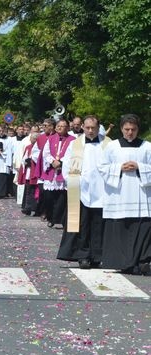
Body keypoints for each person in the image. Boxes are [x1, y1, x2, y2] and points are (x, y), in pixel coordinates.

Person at [98, 114, 151, 275]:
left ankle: (142, 261)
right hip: (119, 196)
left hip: (141, 196)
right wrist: (119, 168)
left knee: (143, 228)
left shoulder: (147, 146)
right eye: (127, 129)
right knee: (120, 229)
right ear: (121, 129)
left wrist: (139, 167)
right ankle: (123, 262)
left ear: (137, 130)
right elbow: (102, 167)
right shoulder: (112, 146)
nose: (130, 133)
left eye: (133, 130)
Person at [57, 116, 110, 269]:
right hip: (81, 190)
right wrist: (73, 182)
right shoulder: (75, 144)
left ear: (98, 127)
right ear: (83, 128)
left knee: (98, 224)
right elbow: (66, 165)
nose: (90, 130)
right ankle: (83, 255)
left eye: (93, 127)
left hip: (103, 190)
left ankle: (97, 256)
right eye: (87, 128)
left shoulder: (108, 144)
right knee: (82, 224)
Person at [41, 119, 75, 228]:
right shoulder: (50, 139)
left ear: (68, 128)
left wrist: (61, 162)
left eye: (63, 126)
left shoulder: (73, 140)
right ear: (55, 127)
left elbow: (72, 154)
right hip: (51, 171)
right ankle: (50, 218)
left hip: (63, 171)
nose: (60, 128)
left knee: (62, 198)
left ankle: (60, 220)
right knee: (49, 198)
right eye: (59, 126)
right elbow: (45, 153)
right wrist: (52, 161)